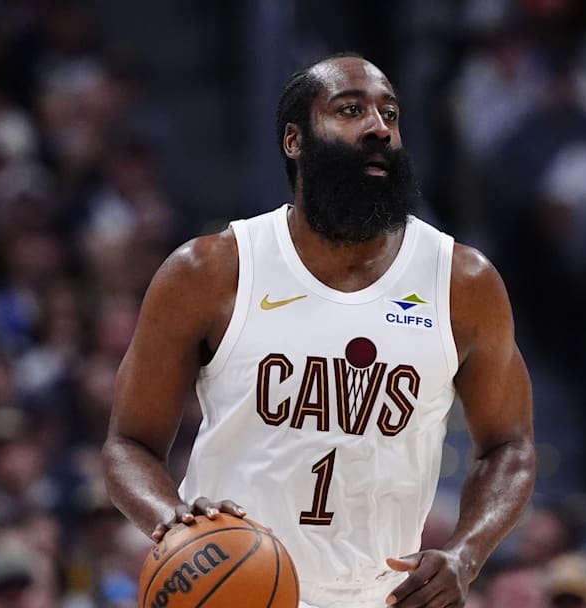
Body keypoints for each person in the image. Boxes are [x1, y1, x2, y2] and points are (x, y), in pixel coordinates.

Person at [102, 53, 535, 608]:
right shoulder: (210, 271)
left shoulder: (462, 282)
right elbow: (127, 444)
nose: (379, 127)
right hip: (234, 589)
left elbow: (511, 446)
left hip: (383, 598)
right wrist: (175, 526)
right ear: (294, 141)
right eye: (350, 110)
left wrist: (466, 553)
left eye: (391, 113)